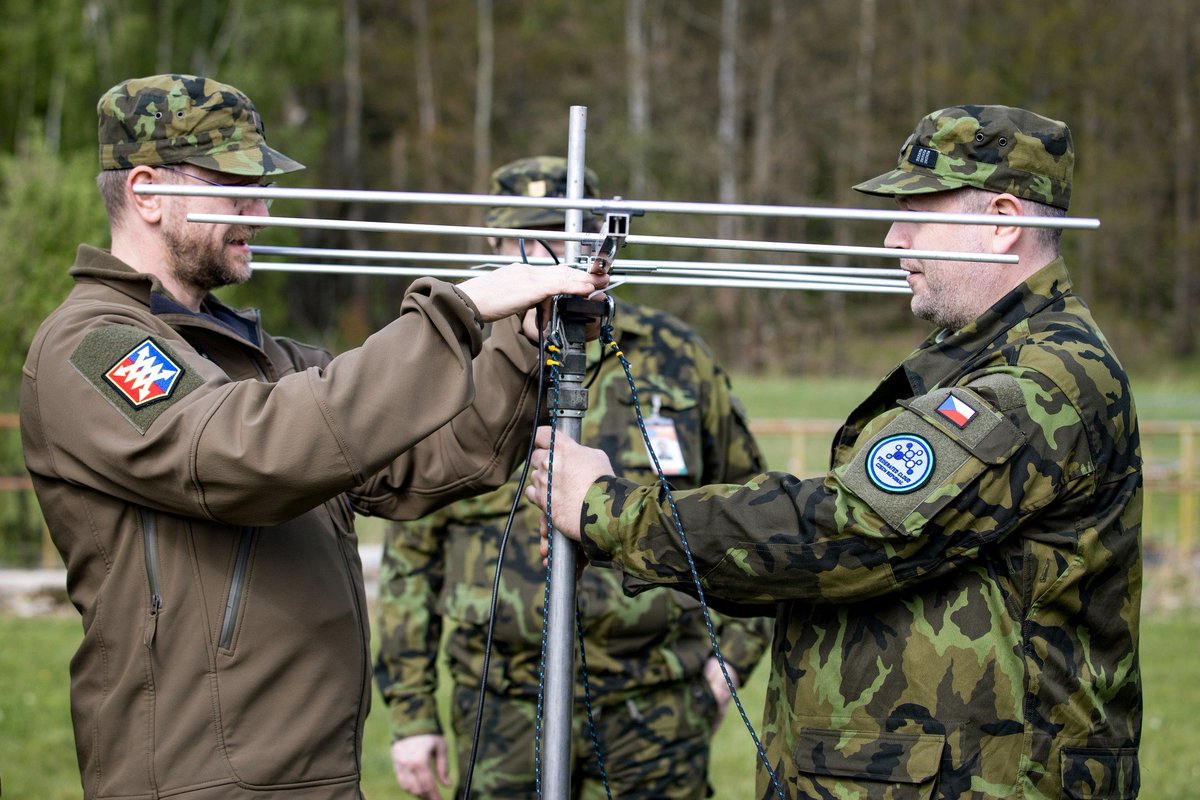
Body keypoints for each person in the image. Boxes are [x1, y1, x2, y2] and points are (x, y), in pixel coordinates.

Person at [527, 106, 1142, 799]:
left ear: (1001, 221)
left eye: (915, 211)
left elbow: (851, 526)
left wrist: (611, 512)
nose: (891, 238)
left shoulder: (1042, 379)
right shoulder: (987, 358)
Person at [19, 75, 606, 800]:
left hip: (308, 772)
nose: (260, 214)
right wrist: (455, 310)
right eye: (237, 191)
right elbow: (247, 454)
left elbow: (442, 455)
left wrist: (522, 338)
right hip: (196, 779)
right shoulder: (93, 344)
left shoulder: (254, 354)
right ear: (146, 193)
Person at [374, 156, 772, 799]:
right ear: (496, 248)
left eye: (564, 237)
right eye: (526, 241)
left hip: (655, 703)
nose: (546, 256)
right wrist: (414, 714)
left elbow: (750, 513)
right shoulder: (458, 369)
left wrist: (731, 662)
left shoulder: (674, 358)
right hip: (501, 700)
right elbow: (410, 554)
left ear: (597, 247)